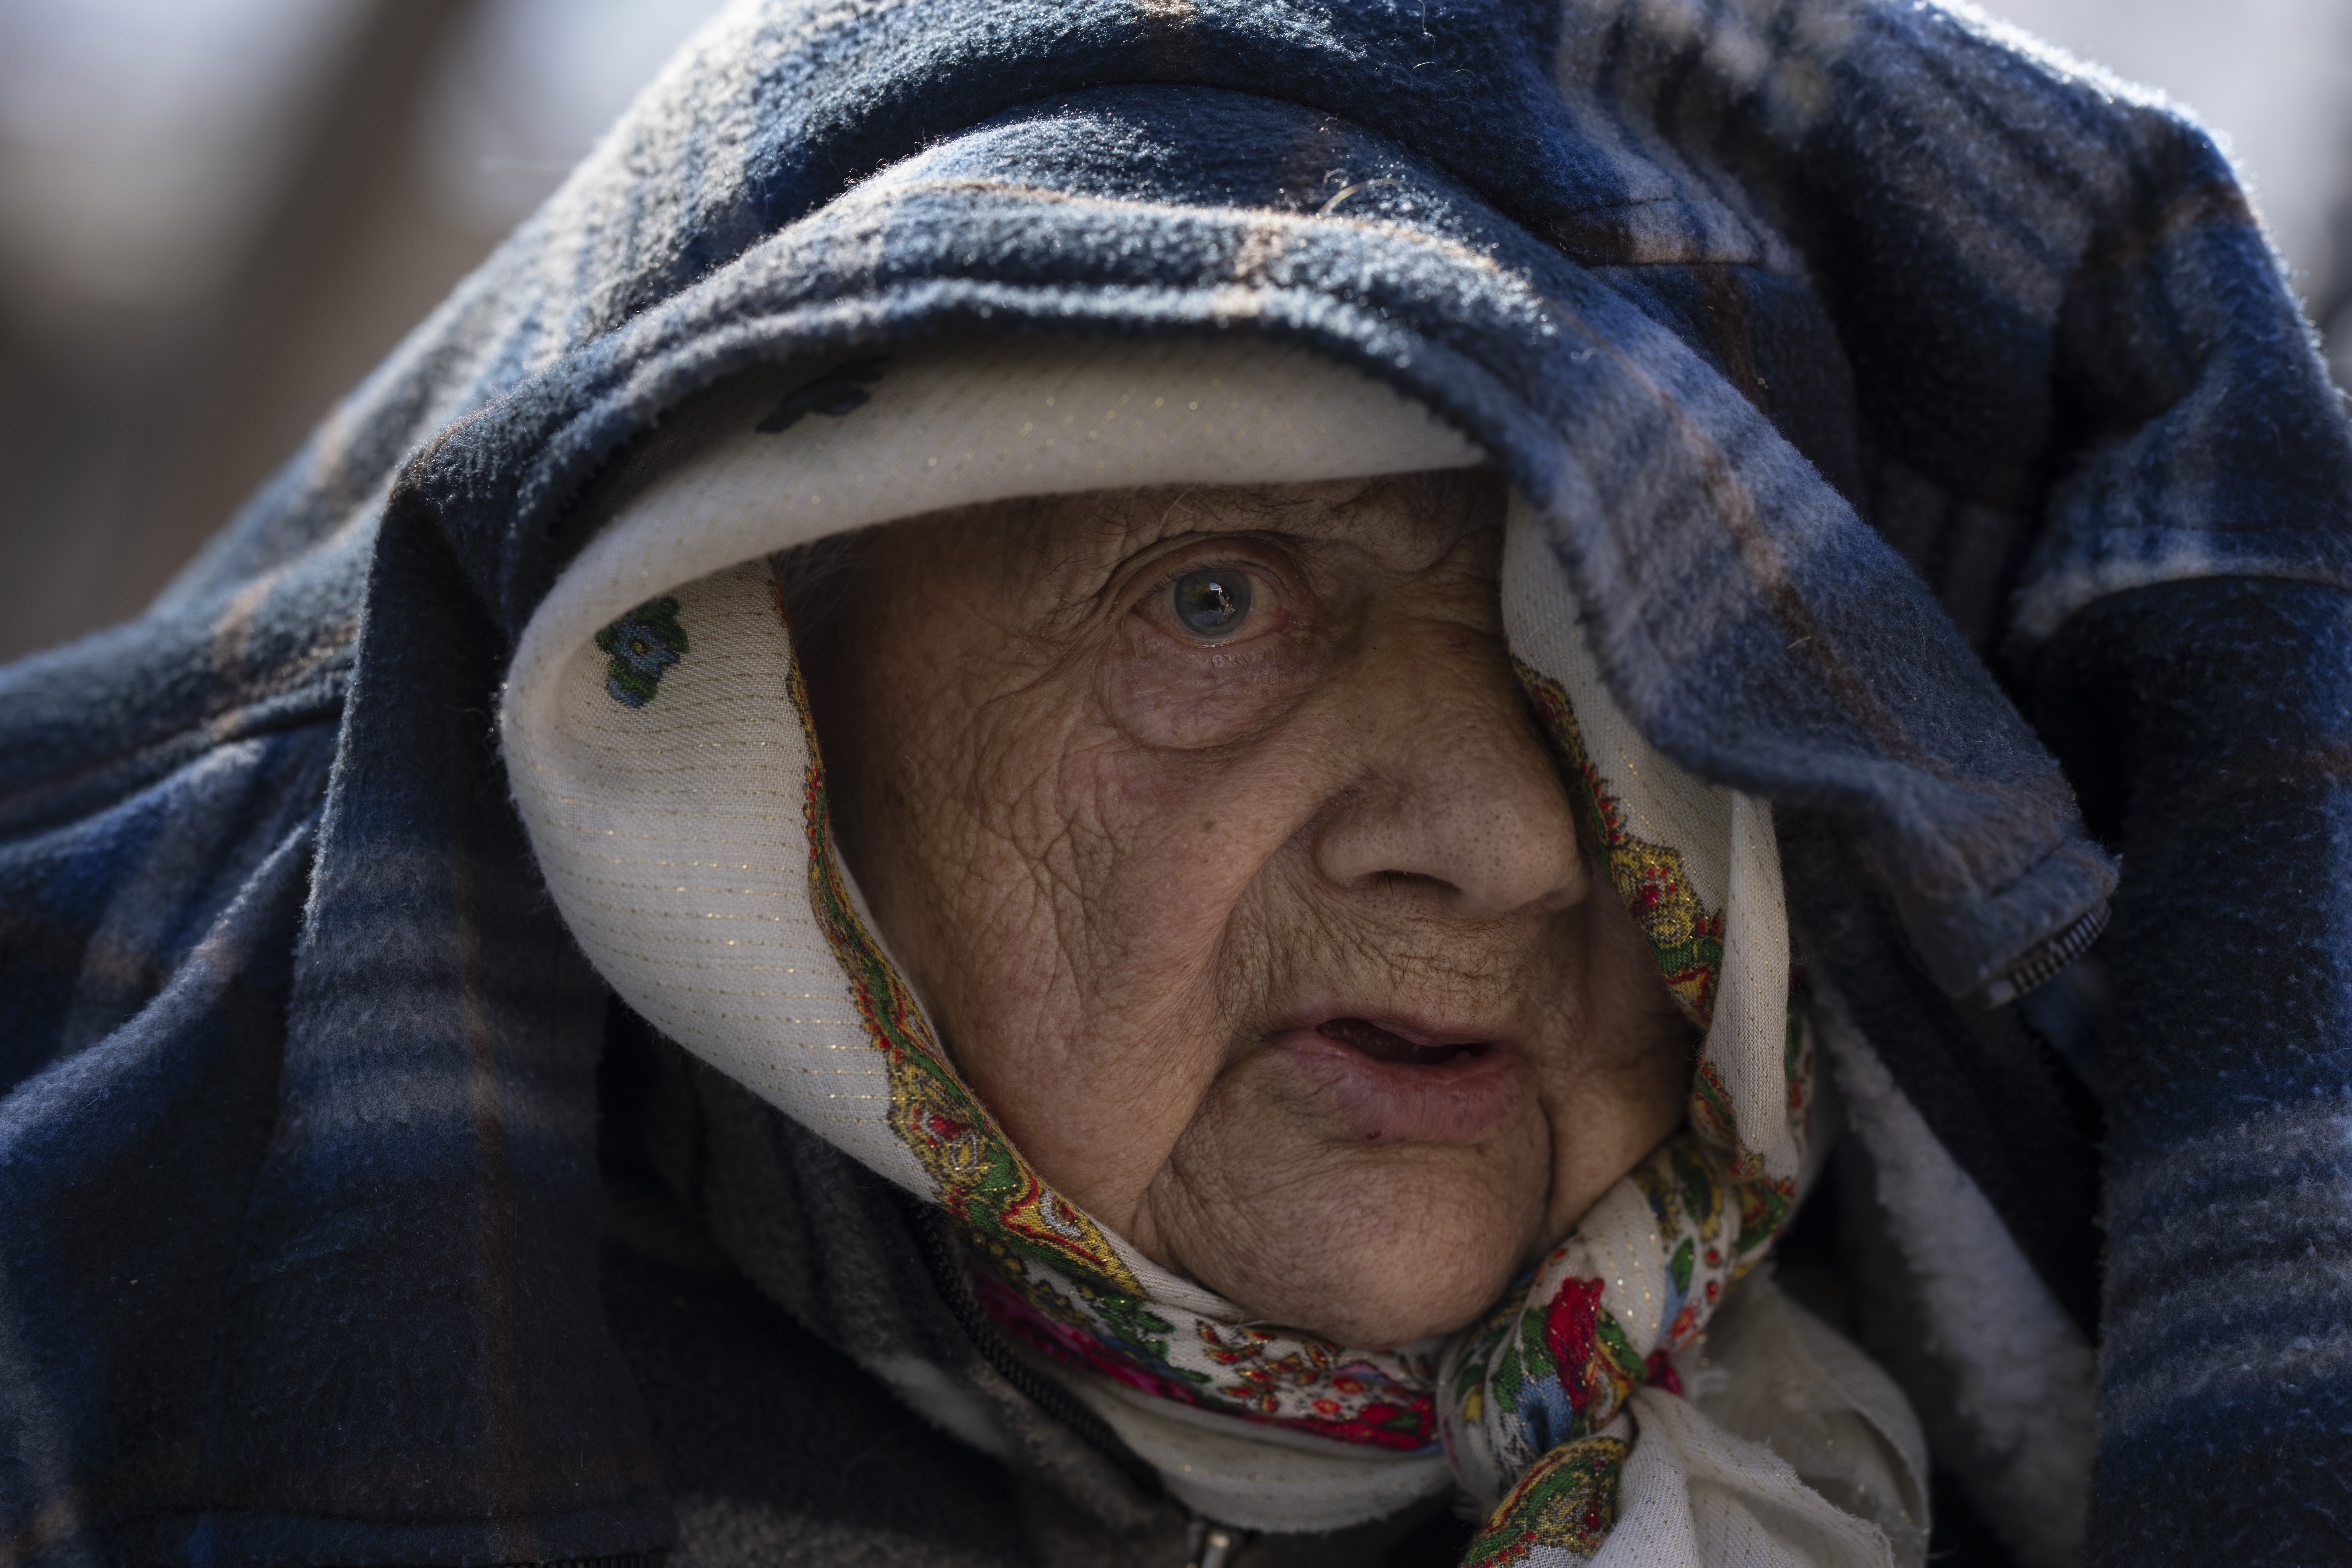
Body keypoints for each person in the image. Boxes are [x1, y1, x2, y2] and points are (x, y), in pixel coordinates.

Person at [3, 3, 2347, 1566]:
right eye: (1214, 604)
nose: (1520, 839)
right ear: (745, 705)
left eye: (1603, 651)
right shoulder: (123, 1346)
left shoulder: (1900, 1463)